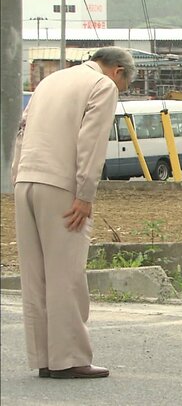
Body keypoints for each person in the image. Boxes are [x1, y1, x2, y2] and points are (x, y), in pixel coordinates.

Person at [12, 47, 136, 379]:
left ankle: (43, 358)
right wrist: (85, 194)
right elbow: (91, 143)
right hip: (60, 186)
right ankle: (69, 358)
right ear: (118, 71)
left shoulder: (50, 81)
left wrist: (17, 176)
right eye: (124, 86)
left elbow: (21, 133)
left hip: (26, 180)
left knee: (35, 276)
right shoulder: (102, 86)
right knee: (65, 273)